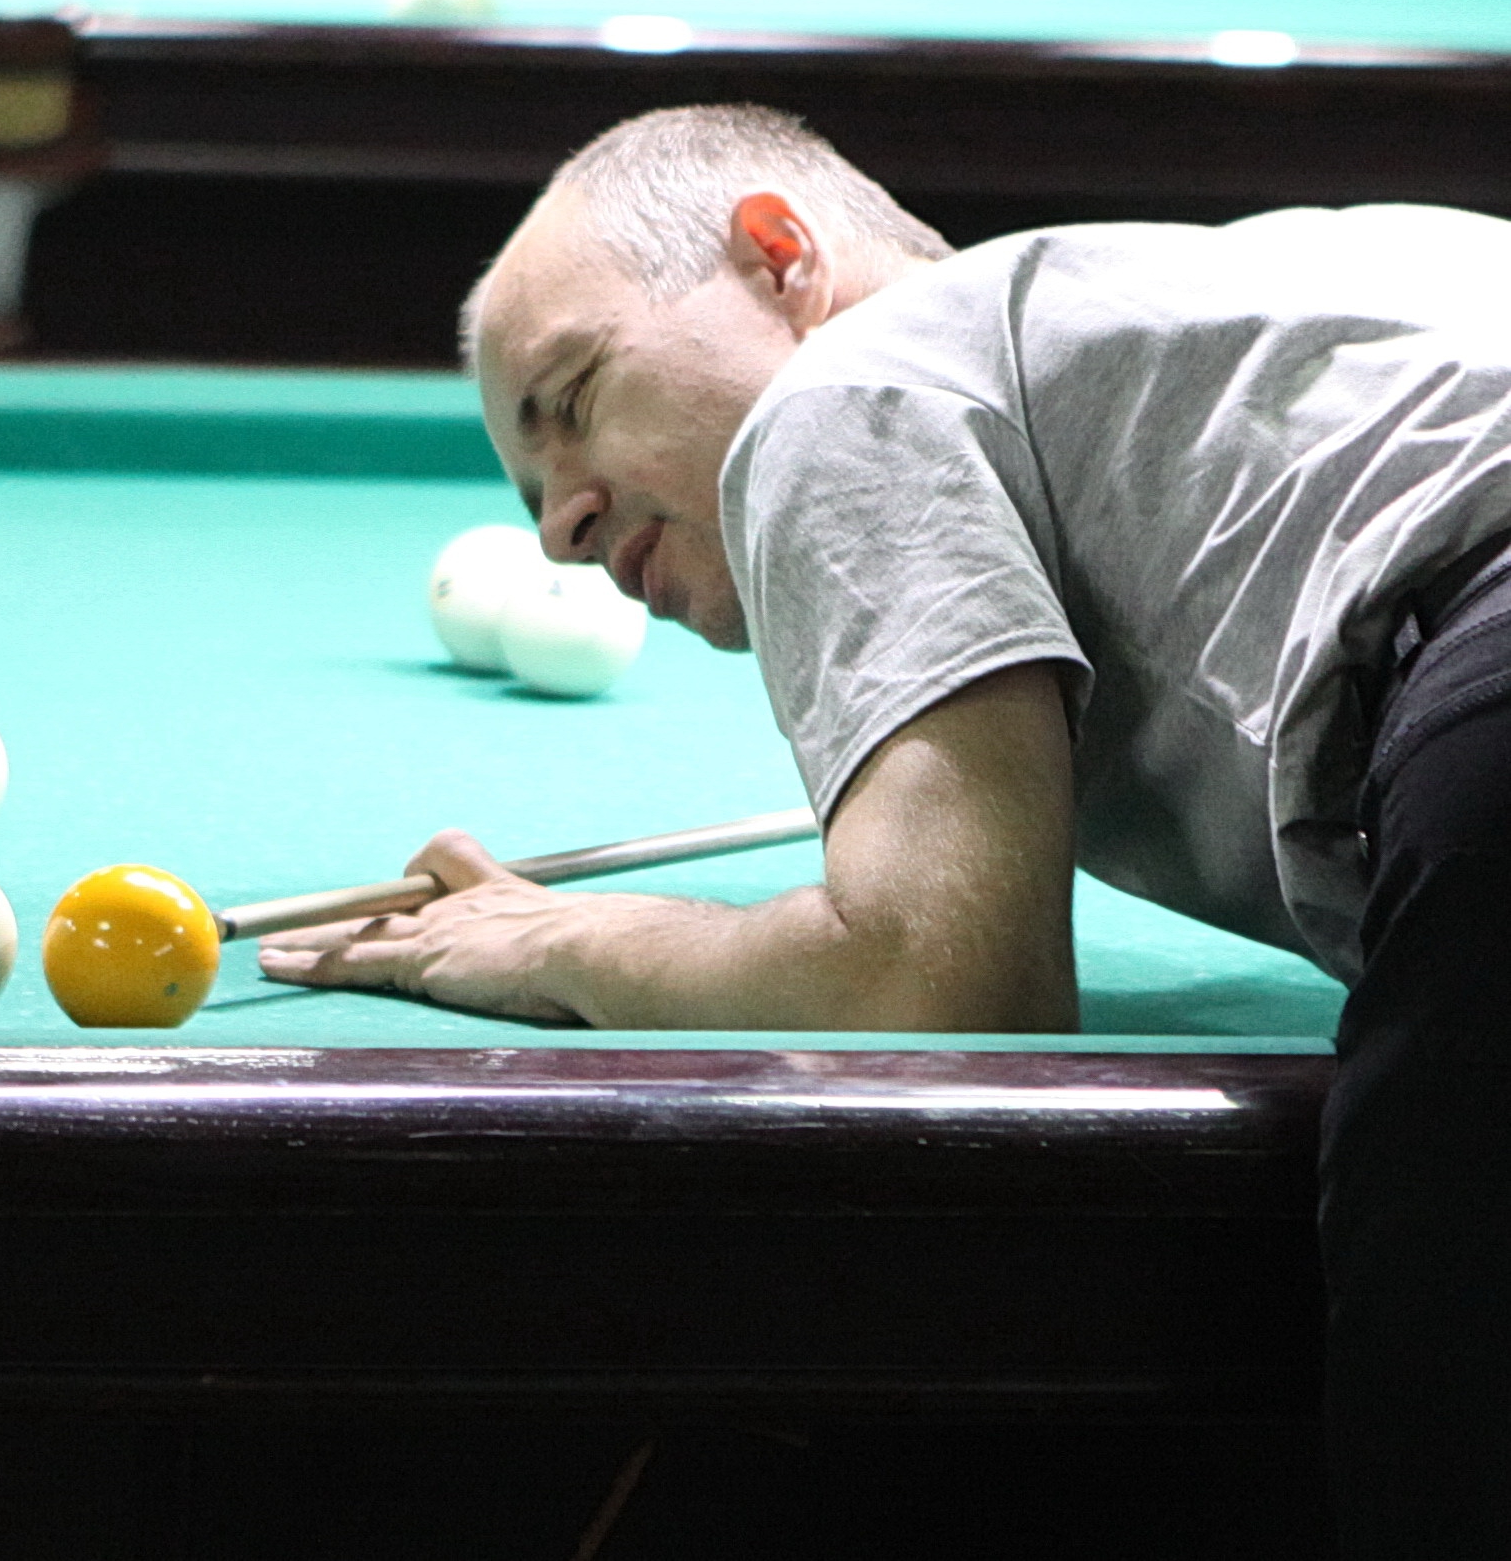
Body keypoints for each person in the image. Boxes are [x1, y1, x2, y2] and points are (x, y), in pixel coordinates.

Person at [257, 104, 1511, 1556]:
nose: (560, 533)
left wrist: (567, 940)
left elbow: (940, 981)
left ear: (778, 256)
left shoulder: (846, 384)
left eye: (577, 396)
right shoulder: (1330, 268)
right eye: (537, 500)